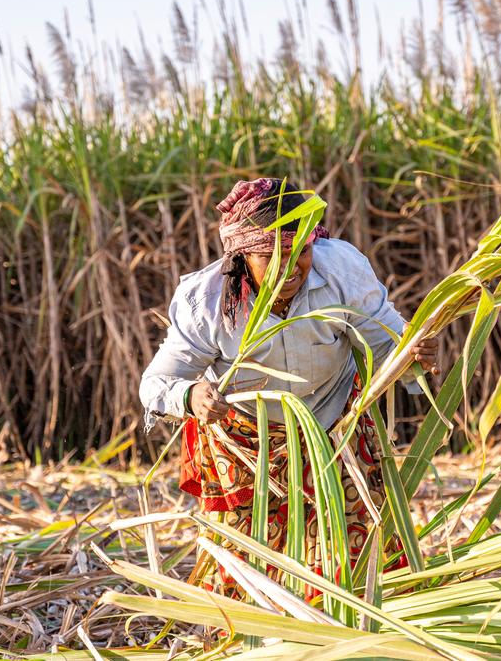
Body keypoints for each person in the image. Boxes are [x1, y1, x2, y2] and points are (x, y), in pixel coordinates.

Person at [139, 178, 438, 599]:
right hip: (247, 444)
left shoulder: (340, 271)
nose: (293, 266)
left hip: (335, 428)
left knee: (360, 557)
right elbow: (156, 385)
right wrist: (191, 396)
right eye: (273, 254)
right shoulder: (203, 302)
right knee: (245, 571)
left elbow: (386, 345)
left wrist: (413, 358)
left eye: (302, 251)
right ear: (241, 256)